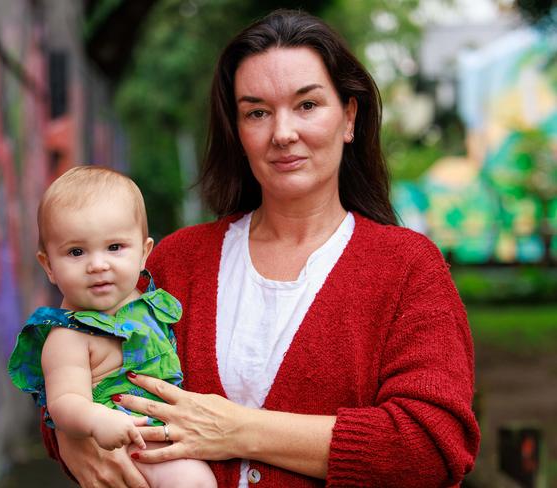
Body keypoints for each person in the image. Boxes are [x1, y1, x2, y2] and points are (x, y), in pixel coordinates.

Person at [42, 9, 480, 488]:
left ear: (349, 117)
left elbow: (431, 447)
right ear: (238, 131)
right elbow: (81, 368)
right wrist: (68, 437)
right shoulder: (175, 261)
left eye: (307, 105)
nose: (283, 133)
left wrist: (239, 432)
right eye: (257, 112)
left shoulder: (408, 269)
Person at [7, 166, 216, 488]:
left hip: (166, 431)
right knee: (193, 481)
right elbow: (63, 402)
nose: (98, 265)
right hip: (124, 442)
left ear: (144, 253)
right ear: (49, 265)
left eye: (115, 247)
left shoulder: (144, 302)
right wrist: (96, 420)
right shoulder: (69, 336)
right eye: (76, 252)